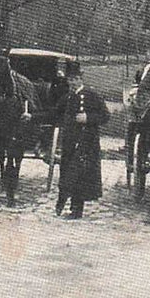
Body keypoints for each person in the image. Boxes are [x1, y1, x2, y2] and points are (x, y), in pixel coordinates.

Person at [54, 61, 109, 220]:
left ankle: (76, 210)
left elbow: (105, 116)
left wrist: (88, 118)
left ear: (80, 79)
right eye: (69, 80)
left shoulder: (92, 95)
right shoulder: (67, 98)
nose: (72, 82)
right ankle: (64, 203)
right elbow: (53, 113)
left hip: (87, 144)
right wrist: (32, 117)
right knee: (67, 174)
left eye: (74, 79)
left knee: (80, 176)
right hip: (70, 143)